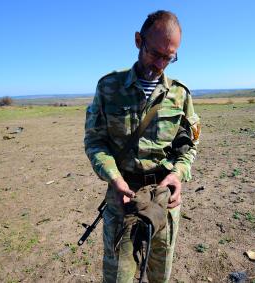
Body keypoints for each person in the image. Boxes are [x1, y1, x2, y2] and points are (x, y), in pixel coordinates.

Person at [84, 10, 200, 282]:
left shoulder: (180, 94)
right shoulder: (108, 87)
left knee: (160, 274)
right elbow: (95, 140)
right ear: (139, 41)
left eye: (168, 57)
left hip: (164, 199)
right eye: (155, 53)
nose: (160, 63)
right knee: (118, 276)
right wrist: (113, 177)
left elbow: (188, 145)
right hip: (122, 197)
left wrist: (178, 175)